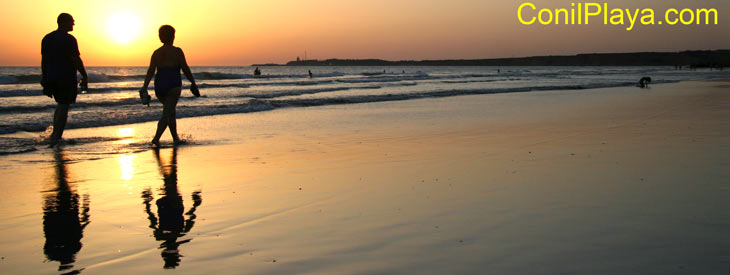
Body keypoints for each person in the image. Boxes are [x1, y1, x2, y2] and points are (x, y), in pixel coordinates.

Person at [140, 25, 200, 147]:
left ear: (160, 37)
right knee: (167, 113)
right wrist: (193, 82)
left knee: (170, 112)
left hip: (160, 87)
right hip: (173, 85)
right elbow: (185, 68)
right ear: (172, 36)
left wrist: (145, 87)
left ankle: (175, 138)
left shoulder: (156, 53)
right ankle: (156, 138)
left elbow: (150, 71)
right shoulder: (177, 51)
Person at [41, 13, 88, 146]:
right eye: (71, 22)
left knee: (60, 104)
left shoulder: (47, 38)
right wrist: (84, 75)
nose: (73, 24)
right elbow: (75, 59)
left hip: (52, 77)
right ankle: (57, 136)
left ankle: (55, 134)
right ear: (64, 22)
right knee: (64, 106)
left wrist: (44, 77)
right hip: (65, 77)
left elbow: (44, 61)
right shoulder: (69, 39)